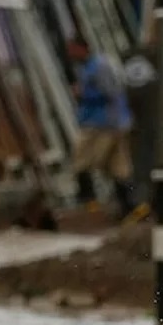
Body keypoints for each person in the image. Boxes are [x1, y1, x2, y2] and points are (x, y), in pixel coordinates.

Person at [65, 37, 146, 223]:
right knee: (118, 167)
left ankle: (89, 201)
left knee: (82, 159)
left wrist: (83, 93)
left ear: (82, 48)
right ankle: (134, 205)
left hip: (103, 123)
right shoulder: (92, 66)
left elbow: (111, 92)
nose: (70, 54)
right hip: (113, 122)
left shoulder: (98, 67)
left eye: (72, 49)